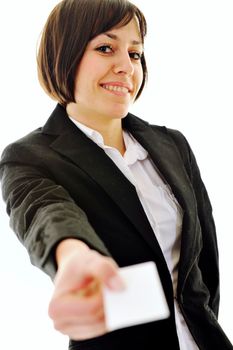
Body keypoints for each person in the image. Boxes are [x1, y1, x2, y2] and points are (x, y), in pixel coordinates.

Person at [0, 0, 232, 349]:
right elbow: (46, 214)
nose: (126, 67)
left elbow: (204, 265)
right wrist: (76, 257)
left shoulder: (172, 145)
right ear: (65, 56)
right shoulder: (30, 157)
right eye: (106, 48)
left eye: (135, 54)